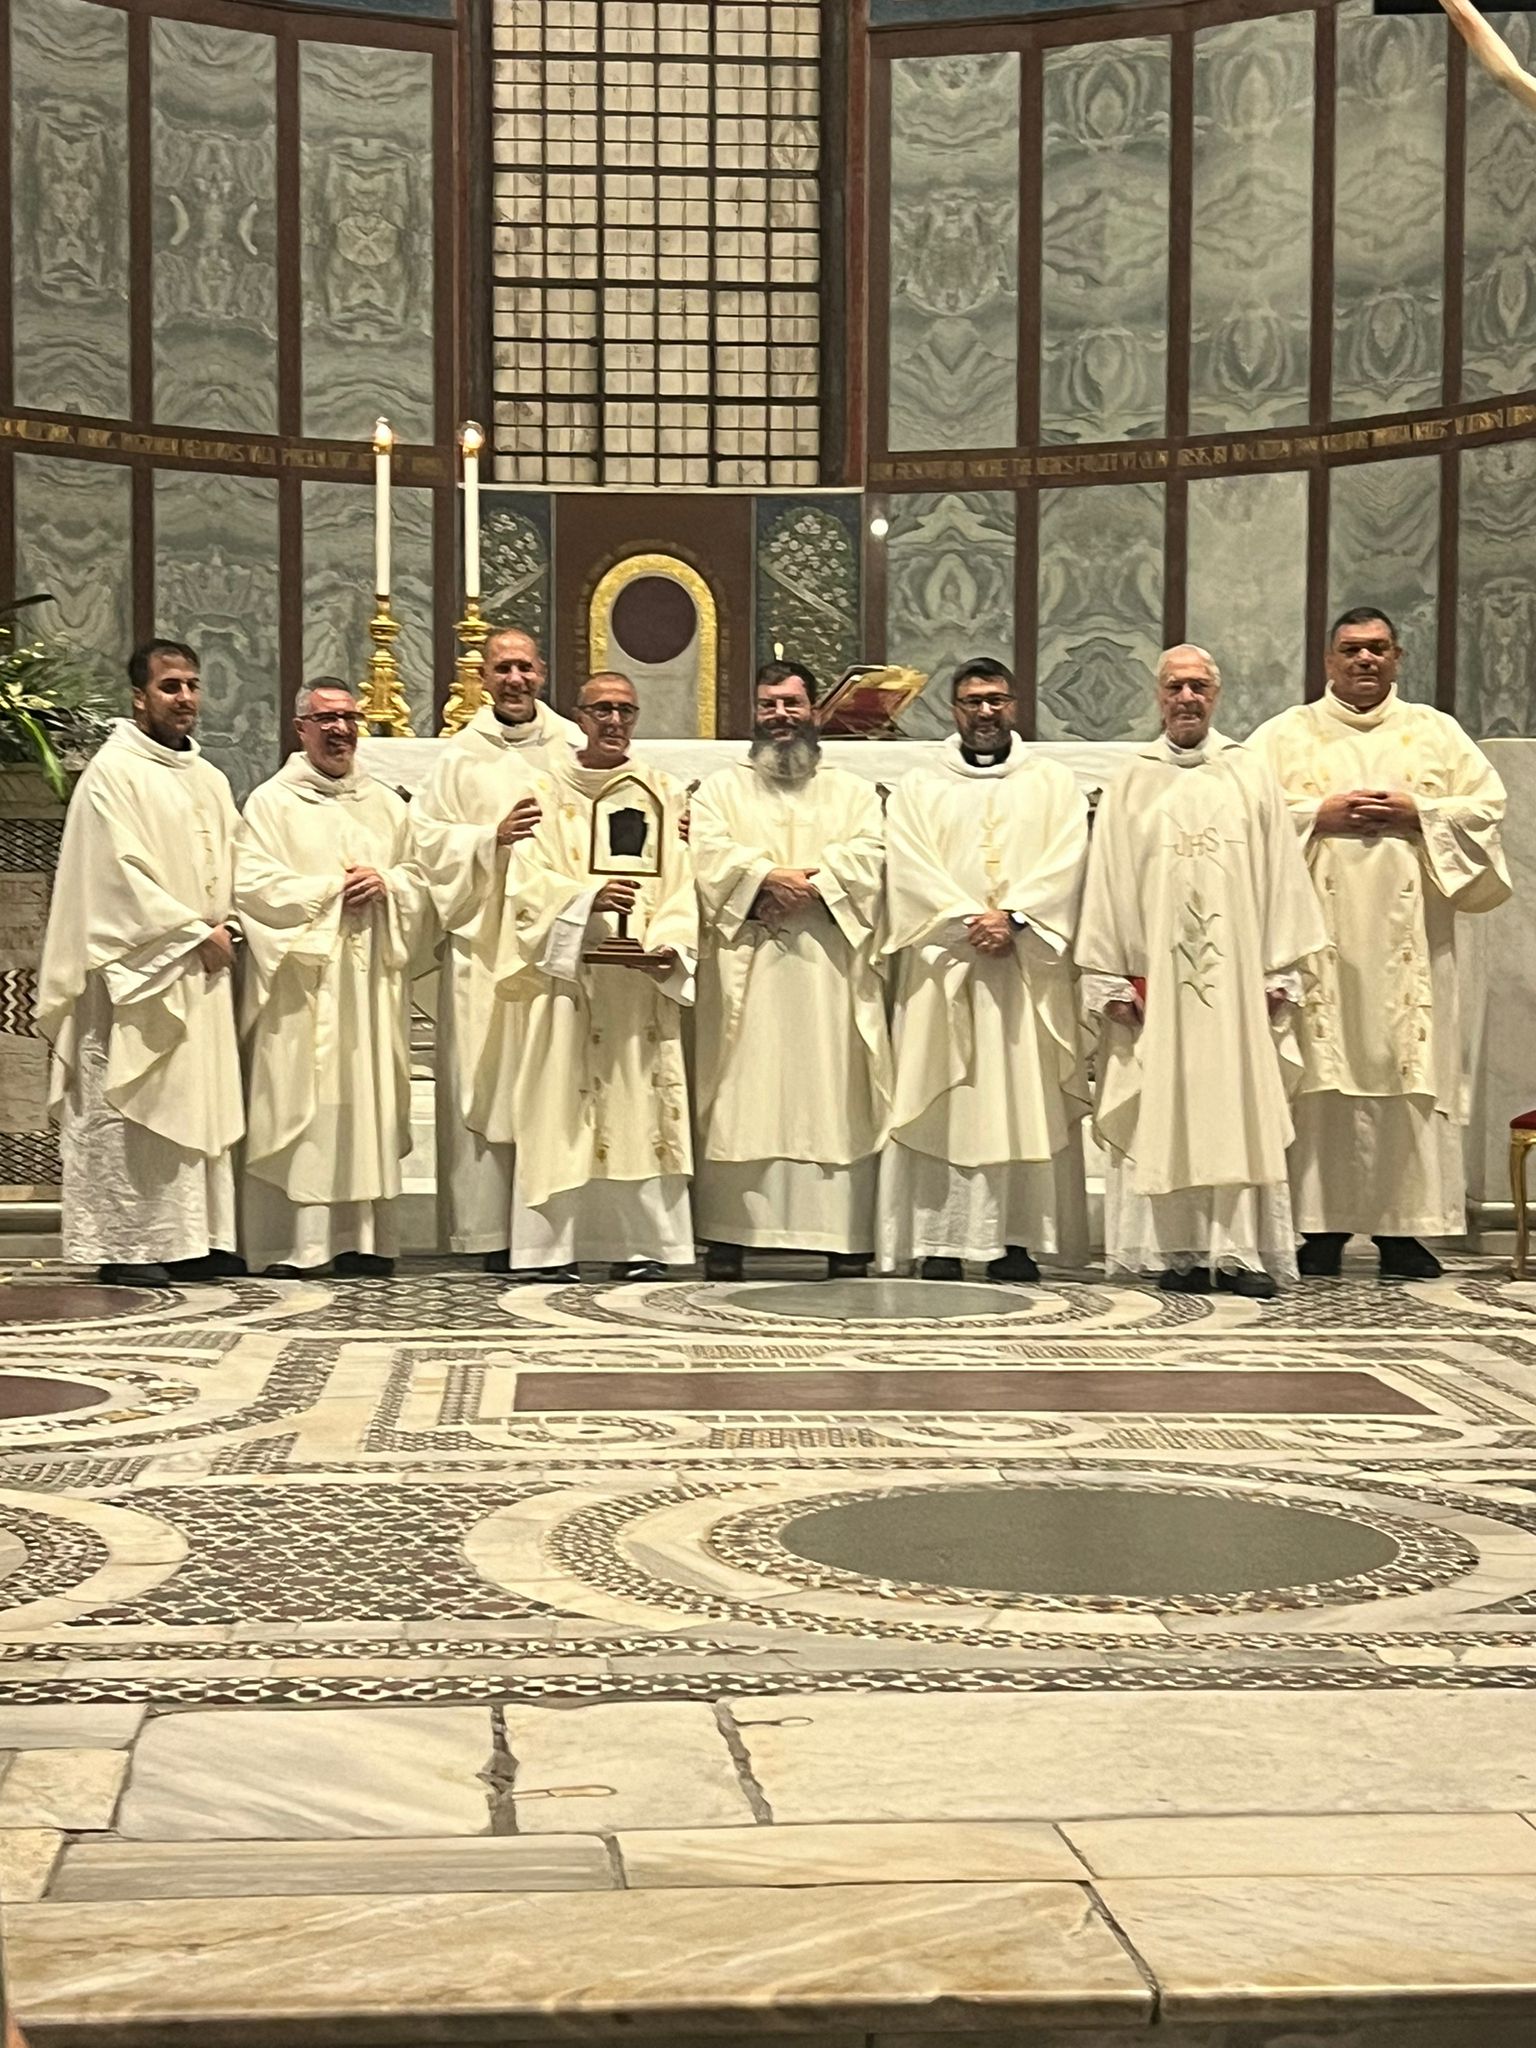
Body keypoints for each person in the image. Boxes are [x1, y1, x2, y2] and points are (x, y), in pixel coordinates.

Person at [1249, 607, 1511, 1280]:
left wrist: (1417, 813)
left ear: (1397, 657)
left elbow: (1486, 807)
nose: (1365, 660)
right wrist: (1319, 815)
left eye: (1377, 649)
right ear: (1328, 661)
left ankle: (1403, 1230)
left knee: (1407, 1069)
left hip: (1413, 943)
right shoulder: (1284, 735)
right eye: (1351, 650)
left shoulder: (1436, 733)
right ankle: (1319, 1227)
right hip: (1314, 943)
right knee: (1318, 1073)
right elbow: (1242, 816)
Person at [1076, 644, 1327, 1298]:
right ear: (1157, 698)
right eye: (1173, 688)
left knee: (1235, 1108)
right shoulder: (1133, 778)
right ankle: (1175, 1251)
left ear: (1215, 695)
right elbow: (1107, 881)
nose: (1185, 698)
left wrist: (1282, 972)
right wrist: (1109, 978)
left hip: (1238, 988)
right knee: (1168, 1107)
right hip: (1155, 987)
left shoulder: (1248, 773)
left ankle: (1240, 1252)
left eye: (1197, 687)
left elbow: (1281, 876)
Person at [37, 640, 244, 1287]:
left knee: (192, 1102)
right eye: (169, 686)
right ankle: (126, 1244)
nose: (184, 698)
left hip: (199, 964)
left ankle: (193, 1237)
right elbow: (115, 877)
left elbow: (238, 862)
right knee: (130, 1100)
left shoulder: (209, 779)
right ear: (139, 697)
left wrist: (231, 921)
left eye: (191, 685)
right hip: (135, 972)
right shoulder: (113, 774)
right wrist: (190, 933)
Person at [878, 657, 1090, 1280]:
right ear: (954, 709)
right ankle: (943, 1241)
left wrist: (1017, 917)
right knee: (949, 1097)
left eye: (997, 699)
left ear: (1015, 705)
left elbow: (1068, 860)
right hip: (948, 962)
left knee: (1021, 1100)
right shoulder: (922, 786)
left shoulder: (1052, 783)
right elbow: (909, 864)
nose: (986, 712)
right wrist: (969, 919)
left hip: (1024, 966)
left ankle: (1015, 1241)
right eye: (973, 701)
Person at [690, 660, 890, 1280]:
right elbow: (705, 852)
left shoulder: (851, 792)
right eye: (769, 705)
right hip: (746, 971)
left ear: (815, 712)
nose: (781, 717)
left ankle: (840, 1234)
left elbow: (874, 854)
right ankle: (730, 1233)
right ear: (753, 712)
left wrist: (818, 884)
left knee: (831, 1088)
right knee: (742, 1089)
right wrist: (764, 878)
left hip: (827, 970)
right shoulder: (720, 791)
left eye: (793, 705)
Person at [494, 671, 697, 1281]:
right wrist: (587, 900)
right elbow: (526, 883)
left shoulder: (662, 791)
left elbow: (683, 880)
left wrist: (670, 945)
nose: (613, 722)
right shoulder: (542, 789)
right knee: (561, 1108)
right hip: (569, 984)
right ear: (578, 717)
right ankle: (551, 1248)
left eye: (625, 711)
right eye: (601, 710)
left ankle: (644, 1247)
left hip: (638, 989)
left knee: (639, 1107)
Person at [234, 680, 431, 1277]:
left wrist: (389, 886)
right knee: (304, 1103)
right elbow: (250, 885)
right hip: (302, 985)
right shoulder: (271, 803)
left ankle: (364, 1240)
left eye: (348, 718)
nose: (340, 730)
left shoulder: (387, 805)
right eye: (326, 720)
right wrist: (329, 892)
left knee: (365, 1100)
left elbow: (421, 879)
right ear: (301, 729)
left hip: (370, 988)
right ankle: (299, 1243)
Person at [412, 629, 581, 1269]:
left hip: (550, 948)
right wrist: (489, 839)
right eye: (502, 668)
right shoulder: (459, 758)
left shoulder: (571, 747)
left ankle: (551, 1234)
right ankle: (485, 1232)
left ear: (543, 673)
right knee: (482, 1075)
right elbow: (424, 843)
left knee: (547, 1079)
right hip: (484, 945)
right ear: (482, 679)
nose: (515, 679)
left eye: (525, 667)